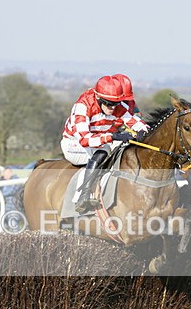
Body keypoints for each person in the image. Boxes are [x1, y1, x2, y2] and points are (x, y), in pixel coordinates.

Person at [61, 74, 150, 213]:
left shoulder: (116, 105)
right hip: (74, 145)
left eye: (115, 104)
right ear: (97, 98)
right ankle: (83, 196)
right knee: (102, 152)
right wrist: (113, 136)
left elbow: (135, 122)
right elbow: (85, 140)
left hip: (100, 141)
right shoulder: (82, 106)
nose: (112, 108)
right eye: (108, 104)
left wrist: (144, 132)